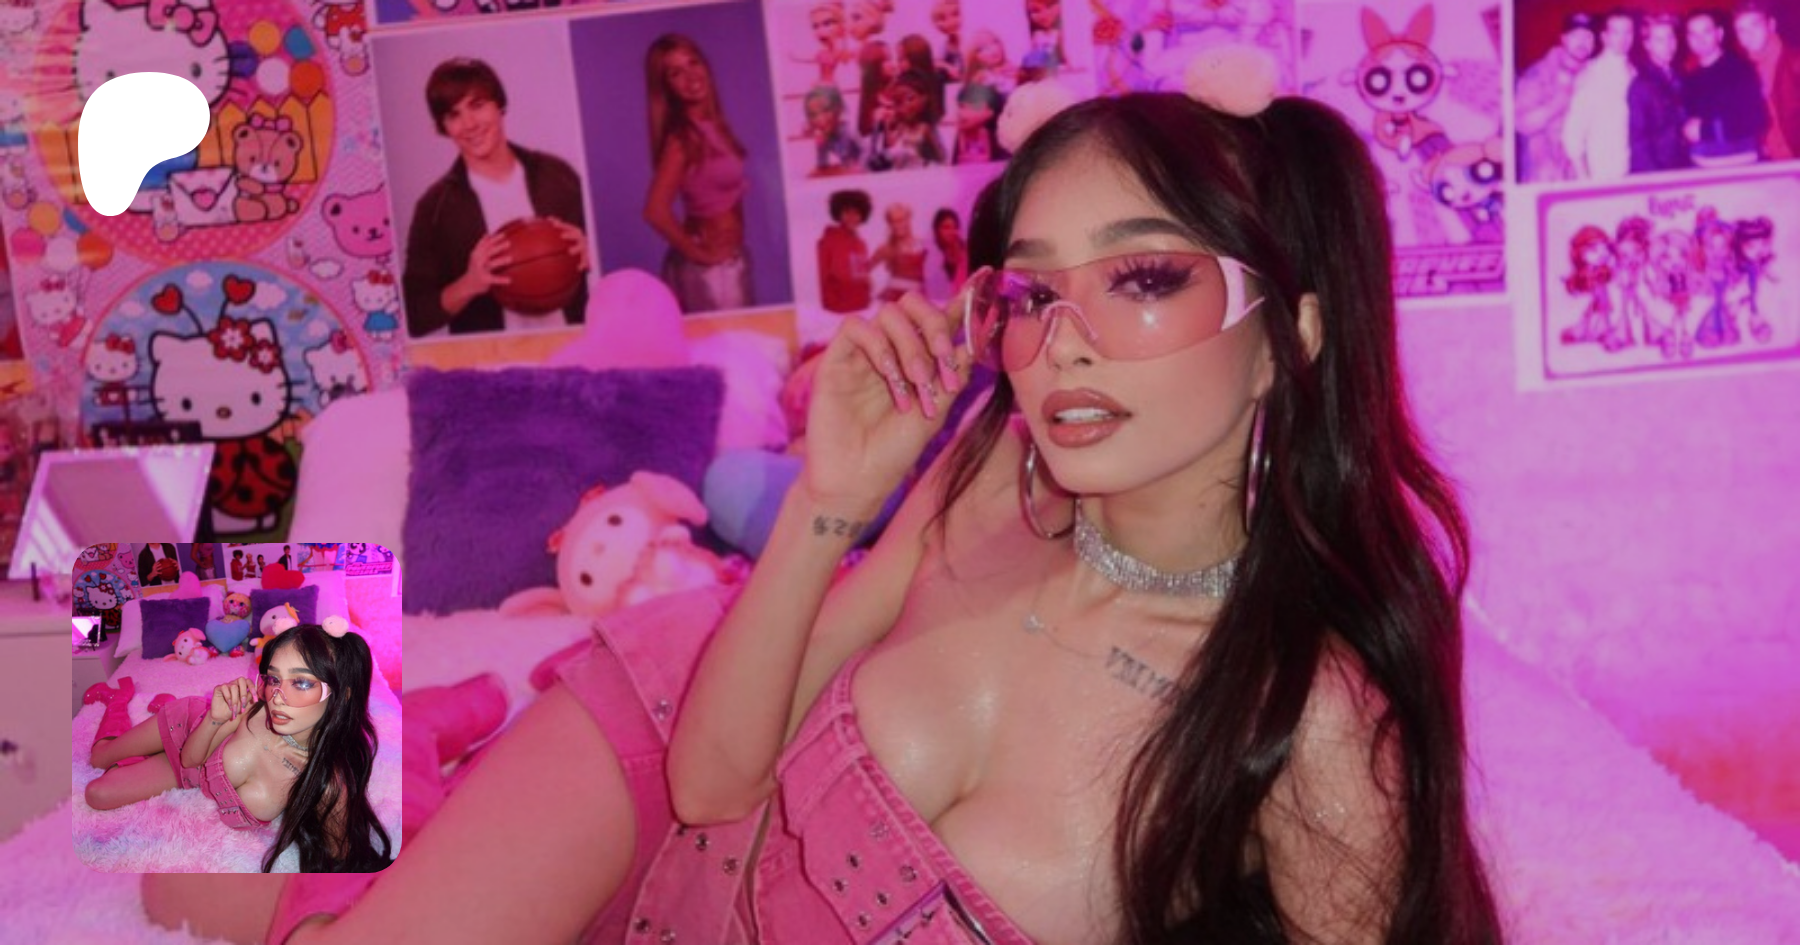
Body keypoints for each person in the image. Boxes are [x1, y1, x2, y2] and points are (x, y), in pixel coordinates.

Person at [145, 87, 1502, 945]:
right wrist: (830, 503)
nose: (1065, 342)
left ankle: (381, 795)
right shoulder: (998, 470)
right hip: (664, 733)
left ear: (1288, 339)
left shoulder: (1310, 719)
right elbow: (710, 783)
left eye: (1144, 278)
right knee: (166, 869)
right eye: (1032, 292)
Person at [88, 624, 391, 873]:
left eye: (300, 683)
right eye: (274, 678)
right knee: (99, 757)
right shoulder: (254, 709)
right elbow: (190, 759)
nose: (277, 696)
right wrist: (214, 718)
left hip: (188, 775)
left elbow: (347, 864)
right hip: (189, 727)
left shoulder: (325, 783)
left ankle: (149, 729)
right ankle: (118, 702)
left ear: (342, 695)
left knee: (98, 794)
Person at [403, 58, 591, 337]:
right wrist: (469, 284)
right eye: (454, 115)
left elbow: (604, 267)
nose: (469, 124)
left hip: (569, 349)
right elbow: (413, 316)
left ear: (499, 105)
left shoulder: (557, 175)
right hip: (494, 359)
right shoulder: (433, 208)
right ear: (443, 126)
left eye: (477, 105)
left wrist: (590, 251)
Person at [643, 33, 754, 314]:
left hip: (733, 261)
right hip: (709, 275)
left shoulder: (716, 127)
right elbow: (655, 211)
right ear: (666, 87)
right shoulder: (683, 139)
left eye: (693, 63)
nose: (691, 76)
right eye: (676, 73)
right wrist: (700, 256)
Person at [1683, 9, 1770, 167]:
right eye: (1693, 34)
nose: (1699, 39)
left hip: (1739, 165)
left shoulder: (1740, 69)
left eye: (1706, 32)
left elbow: (1757, 119)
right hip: (1699, 165)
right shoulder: (1690, 78)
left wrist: (1705, 130)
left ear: (1719, 34)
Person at [1516, 12, 1596, 182]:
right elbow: (1522, 123)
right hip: (1544, 177)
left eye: (1588, 37)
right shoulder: (1539, 73)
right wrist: (1557, 104)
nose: (1582, 42)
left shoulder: (1595, 75)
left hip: (1581, 175)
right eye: (1576, 36)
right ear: (1563, 39)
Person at [1563, 8, 1638, 181]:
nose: (1623, 38)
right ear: (1604, 37)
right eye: (1616, 32)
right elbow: (1573, 133)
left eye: (1628, 32)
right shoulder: (1592, 74)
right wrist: (1584, 178)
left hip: (1631, 169)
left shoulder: (1634, 72)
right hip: (1601, 172)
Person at [1732, 0, 1800, 161]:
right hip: (1768, 163)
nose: (1748, 35)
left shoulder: (1795, 63)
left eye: (1755, 25)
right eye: (1741, 30)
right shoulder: (1741, 72)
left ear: (1771, 25)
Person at [1629, 12, 1691, 173]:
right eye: (1659, 40)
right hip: (1659, 169)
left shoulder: (1681, 75)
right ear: (1647, 44)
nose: (1668, 44)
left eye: (1671, 37)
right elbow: (1638, 140)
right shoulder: (1641, 85)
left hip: (1684, 164)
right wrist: (1654, 178)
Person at [817, 188, 873, 314]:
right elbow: (827, 275)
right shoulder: (828, 241)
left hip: (862, 305)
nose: (852, 217)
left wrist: (867, 283)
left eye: (856, 213)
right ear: (838, 213)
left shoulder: (861, 243)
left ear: (863, 215)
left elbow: (862, 273)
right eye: (847, 212)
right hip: (838, 309)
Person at [870, 200, 928, 301]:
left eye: (901, 220)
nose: (897, 225)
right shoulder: (886, 248)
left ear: (908, 219)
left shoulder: (922, 245)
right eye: (892, 222)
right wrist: (869, 284)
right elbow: (864, 270)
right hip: (894, 298)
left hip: (917, 296)